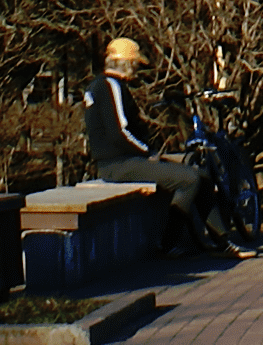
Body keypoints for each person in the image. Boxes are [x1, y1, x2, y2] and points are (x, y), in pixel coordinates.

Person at [83, 39, 235, 255]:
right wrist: (147, 153)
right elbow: (120, 132)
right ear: (125, 63)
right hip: (118, 164)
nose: (137, 69)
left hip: (123, 161)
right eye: (135, 64)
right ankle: (168, 243)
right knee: (188, 179)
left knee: (200, 175)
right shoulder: (110, 86)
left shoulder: (102, 85)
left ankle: (222, 240)